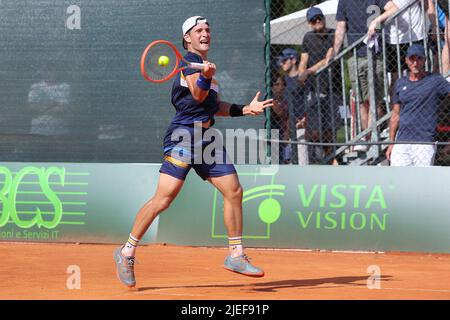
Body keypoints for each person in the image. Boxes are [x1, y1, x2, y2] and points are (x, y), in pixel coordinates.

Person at [113, 16, 273, 288]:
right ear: (187, 38)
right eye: (199, 30)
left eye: (208, 29)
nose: (205, 33)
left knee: (234, 190)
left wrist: (244, 109)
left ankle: (235, 255)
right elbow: (198, 97)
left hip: (207, 137)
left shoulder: (205, 69)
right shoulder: (187, 64)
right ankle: (126, 252)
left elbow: (213, 105)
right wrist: (206, 76)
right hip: (183, 136)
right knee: (163, 199)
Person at [332, 0, 397, 151]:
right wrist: (334, 53)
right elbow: (340, 27)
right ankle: (367, 135)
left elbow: (393, 8)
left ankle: (371, 135)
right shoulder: (344, 2)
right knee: (361, 100)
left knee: (376, 99)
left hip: (376, 55)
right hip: (355, 55)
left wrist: (377, 20)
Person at [386, 44, 450, 166]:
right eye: (412, 59)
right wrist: (391, 143)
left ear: (424, 60)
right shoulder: (400, 83)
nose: (415, 63)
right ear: (406, 61)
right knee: (397, 180)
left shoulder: (435, 80)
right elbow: (395, 114)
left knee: (422, 181)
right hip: (402, 141)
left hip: (424, 142)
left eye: (418, 59)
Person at [299, 6, 342, 164]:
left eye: (319, 18)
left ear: (323, 18)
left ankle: (332, 158)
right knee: (316, 128)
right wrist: (301, 72)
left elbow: (328, 59)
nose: (317, 21)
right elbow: (303, 59)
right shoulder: (308, 37)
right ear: (309, 23)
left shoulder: (333, 35)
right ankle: (327, 157)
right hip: (313, 88)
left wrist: (308, 71)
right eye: (313, 20)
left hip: (332, 87)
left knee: (330, 127)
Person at [277, 48, 308, 165]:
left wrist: (305, 118)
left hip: (300, 122)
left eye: (284, 61)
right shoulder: (281, 81)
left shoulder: (301, 80)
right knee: (285, 157)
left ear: (293, 60)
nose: (281, 64)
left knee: (301, 157)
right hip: (285, 123)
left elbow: (307, 100)